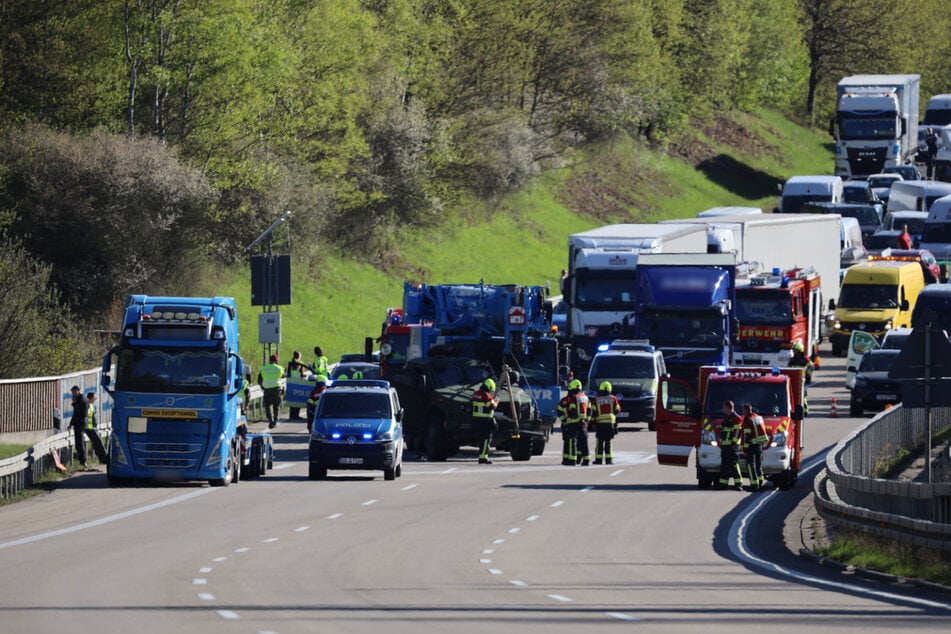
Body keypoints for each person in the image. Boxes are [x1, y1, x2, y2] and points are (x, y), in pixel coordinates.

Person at [558, 379, 589, 465]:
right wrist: (587, 420)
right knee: (583, 441)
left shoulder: (571, 398)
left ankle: (571, 459)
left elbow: (571, 409)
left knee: (571, 441)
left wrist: (565, 420)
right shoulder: (585, 397)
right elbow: (590, 410)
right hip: (583, 423)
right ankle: (585, 459)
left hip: (571, 423)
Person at [715, 400, 744, 490]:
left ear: (728, 408)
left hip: (732, 446)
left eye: (724, 407)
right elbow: (722, 428)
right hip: (725, 445)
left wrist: (734, 443)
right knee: (724, 465)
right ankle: (723, 484)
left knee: (734, 465)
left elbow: (738, 431)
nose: (723, 409)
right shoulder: (727, 418)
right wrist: (719, 430)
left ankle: (739, 484)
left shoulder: (736, 418)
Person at [590, 381, 621, 465]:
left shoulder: (596, 399)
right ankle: (609, 460)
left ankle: (598, 460)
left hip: (600, 423)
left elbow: (593, 411)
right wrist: (612, 416)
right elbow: (618, 409)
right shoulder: (613, 398)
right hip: (610, 423)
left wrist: (592, 422)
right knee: (608, 442)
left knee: (600, 441)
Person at [741, 403, 769, 491]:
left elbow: (747, 436)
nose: (742, 412)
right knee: (758, 464)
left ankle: (754, 485)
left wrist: (745, 449)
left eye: (743, 410)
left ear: (746, 410)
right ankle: (760, 483)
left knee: (750, 465)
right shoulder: (757, 417)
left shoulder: (747, 420)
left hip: (751, 446)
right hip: (759, 445)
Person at [471, 378, 499, 464]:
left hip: (477, 420)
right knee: (486, 440)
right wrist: (496, 402)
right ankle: (483, 457)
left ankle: (482, 456)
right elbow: (491, 406)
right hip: (485, 420)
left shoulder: (476, 394)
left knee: (481, 439)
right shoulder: (486, 395)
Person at [257, 353, 285, 428]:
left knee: (268, 406)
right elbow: (283, 377)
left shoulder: (263, 368)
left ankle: (271, 419)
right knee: (276, 406)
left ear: (269, 360)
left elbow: (259, 380)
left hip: (267, 390)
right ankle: (275, 421)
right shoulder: (280, 368)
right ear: (277, 360)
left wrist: (262, 387)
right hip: (277, 390)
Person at [83, 392, 110, 465]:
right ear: (91, 398)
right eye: (94, 398)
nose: (95, 399)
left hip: (92, 428)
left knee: (97, 444)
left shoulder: (90, 405)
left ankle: (102, 459)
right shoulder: (87, 405)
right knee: (98, 443)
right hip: (89, 428)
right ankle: (105, 459)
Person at [67, 386, 91, 467]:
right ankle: (82, 460)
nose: (73, 394)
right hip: (81, 423)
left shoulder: (81, 400)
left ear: (78, 391)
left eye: (74, 392)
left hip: (80, 423)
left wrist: (71, 423)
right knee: (79, 442)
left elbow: (77, 413)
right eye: (72, 392)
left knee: (79, 443)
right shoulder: (83, 399)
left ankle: (83, 460)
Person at [286, 351, 307, 421]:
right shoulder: (300, 363)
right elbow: (302, 374)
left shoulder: (290, 364)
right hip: (298, 383)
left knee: (292, 400)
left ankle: (291, 415)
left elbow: (288, 374)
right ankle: (296, 415)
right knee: (298, 400)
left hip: (291, 383)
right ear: (299, 356)